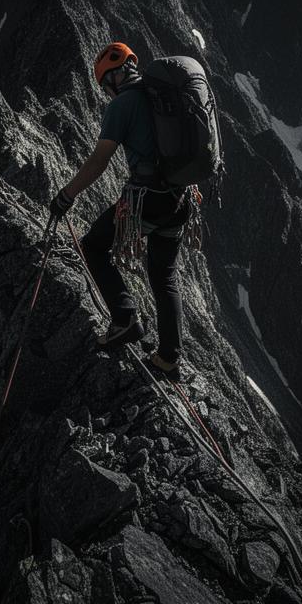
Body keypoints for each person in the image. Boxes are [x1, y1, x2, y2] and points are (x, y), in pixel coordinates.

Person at [49, 42, 191, 380]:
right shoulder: (165, 98)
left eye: (104, 85)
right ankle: (169, 357)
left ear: (111, 78)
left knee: (94, 247)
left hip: (147, 200)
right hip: (180, 200)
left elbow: (99, 160)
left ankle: (125, 318)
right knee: (164, 275)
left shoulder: (123, 105)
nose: (106, 92)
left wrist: (66, 195)